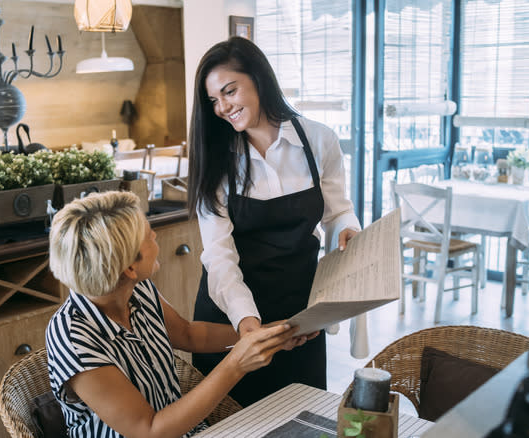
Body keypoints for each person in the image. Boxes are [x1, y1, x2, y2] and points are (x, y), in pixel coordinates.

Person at [188, 36, 363, 406]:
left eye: (229, 91)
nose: (222, 108)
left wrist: (348, 228)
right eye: (213, 101)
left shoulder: (319, 141)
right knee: (232, 423)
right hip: (231, 314)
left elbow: (338, 210)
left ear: (259, 77)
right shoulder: (217, 159)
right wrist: (247, 323)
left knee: (304, 417)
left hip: (299, 314)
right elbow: (219, 255)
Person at [45, 191, 303, 438]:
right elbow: (150, 430)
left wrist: (266, 334)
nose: (156, 235)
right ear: (130, 267)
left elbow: (188, 334)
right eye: (149, 237)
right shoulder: (74, 339)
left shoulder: (137, 289)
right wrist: (236, 364)